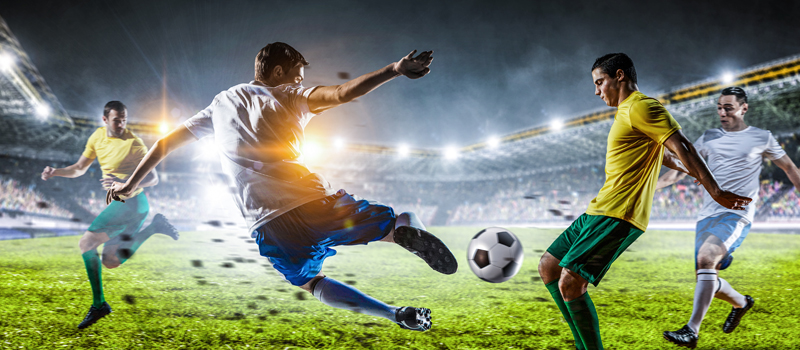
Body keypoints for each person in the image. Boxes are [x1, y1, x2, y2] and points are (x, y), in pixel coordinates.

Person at [107, 42, 457, 331]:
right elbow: (341, 93)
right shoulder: (289, 95)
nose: (300, 82)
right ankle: (405, 232)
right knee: (398, 221)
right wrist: (394, 69)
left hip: (267, 225)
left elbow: (165, 143)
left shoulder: (220, 103)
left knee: (312, 283)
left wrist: (129, 184)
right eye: (297, 76)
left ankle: (394, 314)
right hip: (311, 201)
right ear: (279, 73)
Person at [536, 53, 752, 350]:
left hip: (617, 213)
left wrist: (713, 189)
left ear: (619, 76)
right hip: (598, 208)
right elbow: (665, 155)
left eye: (600, 82)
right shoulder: (626, 112)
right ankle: (581, 343)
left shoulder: (642, 106)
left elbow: (683, 145)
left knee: (571, 283)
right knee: (549, 266)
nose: (596, 91)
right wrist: (691, 172)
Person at [659, 86, 800, 348]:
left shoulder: (762, 137)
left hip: (737, 213)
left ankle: (692, 330)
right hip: (706, 216)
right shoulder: (708, 137)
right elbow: (682, 170)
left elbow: (790, 168)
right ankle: (742, 302)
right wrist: (650, 188)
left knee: (706, 258)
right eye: (719, 107)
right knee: (705, 273)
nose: (722, 112)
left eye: (728, 107)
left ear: (744, 108)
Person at [41, 101, 179, 329]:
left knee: (86, 243)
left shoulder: (134, 143)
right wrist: (56, 172)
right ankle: (155, 227)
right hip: (131, 206)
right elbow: (79, 168)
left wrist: (125, 184)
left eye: (124, 119)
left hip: (131, 202)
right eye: (117, 120)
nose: (122, 123)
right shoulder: (97, 137)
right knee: (111, 261)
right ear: (105, 120)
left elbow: (153, 178)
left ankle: (99, 305)